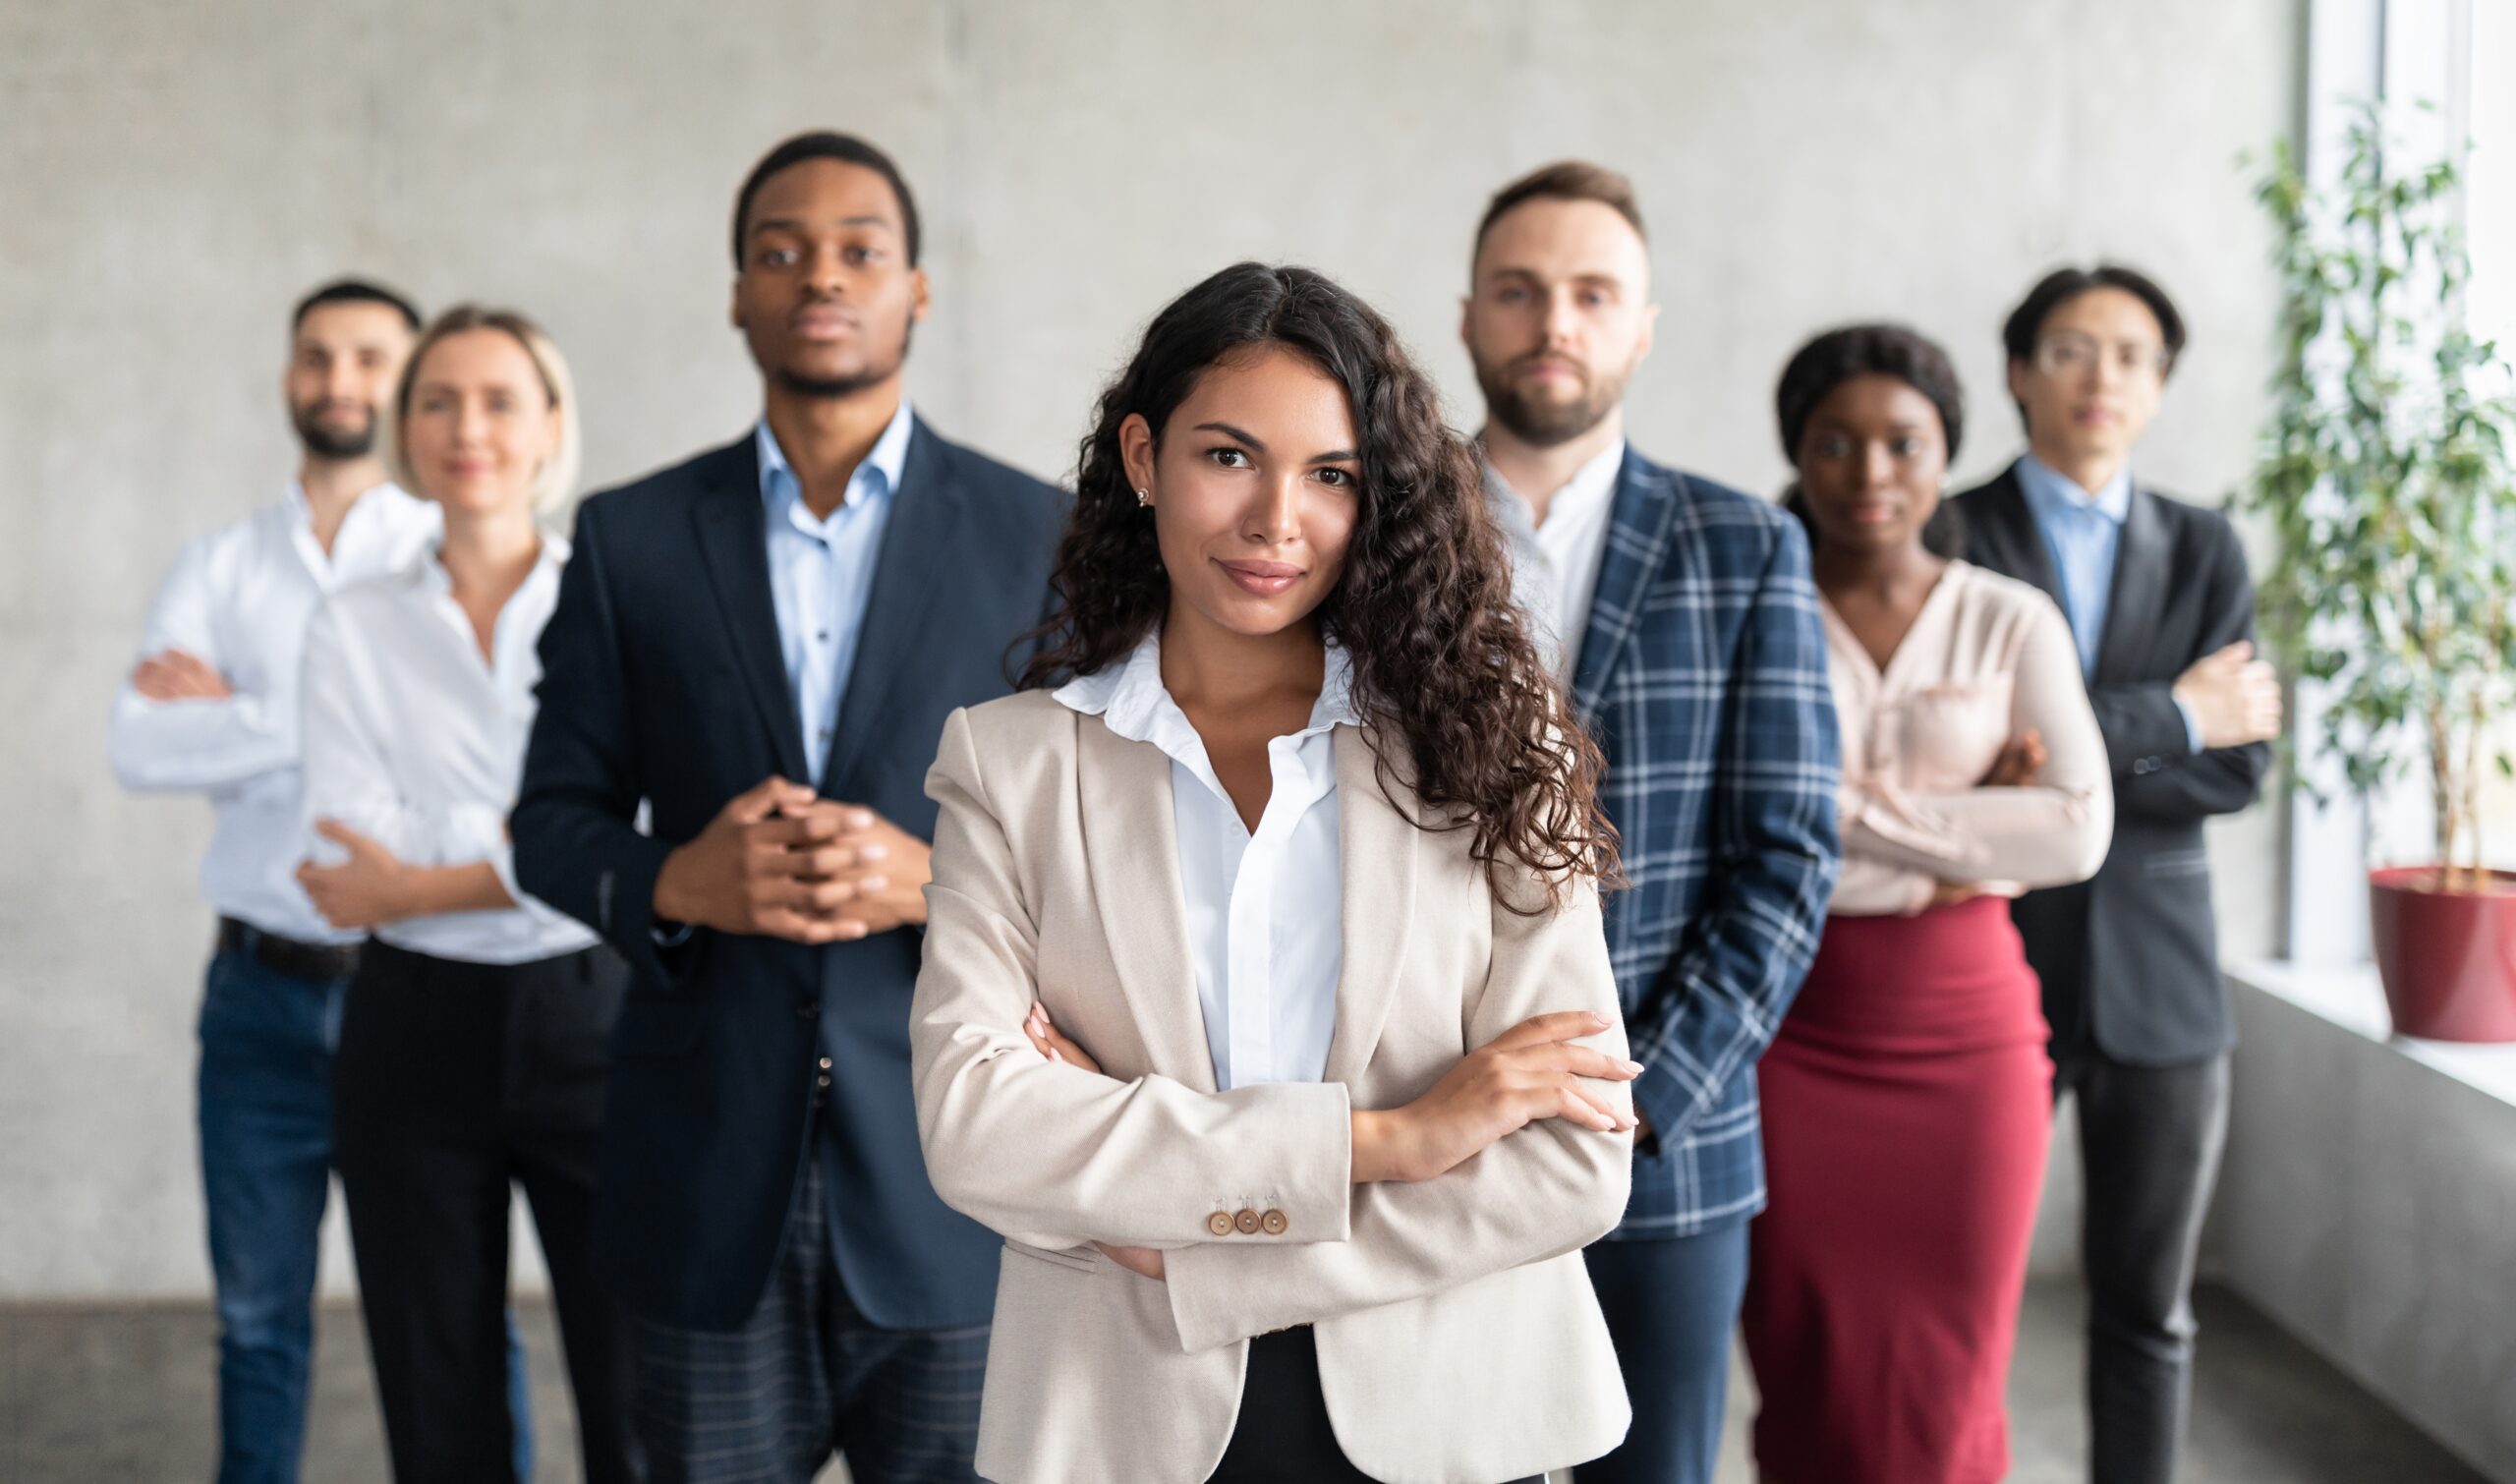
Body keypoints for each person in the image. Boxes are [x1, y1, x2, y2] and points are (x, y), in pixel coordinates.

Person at [909, 260, 1639, 1484]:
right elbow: (980, 1128)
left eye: (1331, 475)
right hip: (1124, 1421)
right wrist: (1394, 1139)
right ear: (1142, 459)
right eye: (1229, 457)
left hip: (1452, 1419)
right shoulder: (1011, 764)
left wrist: (1192, 1247)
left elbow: (1573, 1162)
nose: (1275, 522)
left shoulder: (1497, 741)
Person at [510, 131, 1063, 1483]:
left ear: (916, 289)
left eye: (859, 249)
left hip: (961, 1187)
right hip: (702, 1187)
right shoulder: (632, 537)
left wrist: (935, 883)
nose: (821, 275)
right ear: (737, 293)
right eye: (781, 251)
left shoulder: (1038, 538)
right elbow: (548, 821)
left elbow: (1116, 849)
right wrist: (676, 885)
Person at [105, 279, 534, 1484]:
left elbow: (502, 777)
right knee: (255, 1321)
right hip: (259, 1001)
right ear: (290, 376)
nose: (338, 381)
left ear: (401, 389)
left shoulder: (451, 549)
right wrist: (340, 709)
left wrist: (242, 711)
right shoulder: (220, 561)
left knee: (458, 1318)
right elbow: (137, 745)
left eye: (367, 359)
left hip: (423, 987)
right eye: (315, 357)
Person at [1458, 160, 1842, 1484]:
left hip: (1669, 1148)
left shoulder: (1745, 546)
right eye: (1519, 290)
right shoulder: (1380, 533)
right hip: (1431, 1129)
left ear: (1640, 326)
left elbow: (1788, 861)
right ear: (1468, 317)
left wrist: (1649, 1093)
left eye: (1590, 292)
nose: (1552, 320)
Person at [1743, 323, 2113, 1483]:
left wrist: (1828, 813)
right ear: (1796, 454)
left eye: (1902, 442)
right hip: (1789, 1033)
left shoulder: (2010, 619)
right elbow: (1722, 828)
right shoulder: (1753, 612)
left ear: (1944, 450)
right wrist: (1959, 830)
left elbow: (2075, 826)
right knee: (1804, 1367)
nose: (1869, 472)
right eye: (1835, 443)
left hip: (1970, 1041)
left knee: (1953, 1379)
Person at [296, 307, 640, 1482]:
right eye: (436, 400)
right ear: (405, 427)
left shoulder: (614, 597)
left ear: (551, 427)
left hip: (601, 1016)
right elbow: (349, 852)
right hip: (412, 1024)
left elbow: (639, 830)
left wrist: (431, 865)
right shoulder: (352, 620)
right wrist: (543, 841)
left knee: (634, 1385)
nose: (465, 428)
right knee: (436, 1391)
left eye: (499, 400)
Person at [1952, 266, 2279, 1484]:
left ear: (2158, 387)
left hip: (2165, 986)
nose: (2103, 377)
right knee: (1963, 1303)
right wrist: (2172, 715)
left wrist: (2080, 750)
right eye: (2074, 349)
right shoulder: (1949, 531)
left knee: (2148, 1312)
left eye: (2132, 356)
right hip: (1989, 972)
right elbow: (1962, 760)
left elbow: (2238, 771)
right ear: (2018, 370)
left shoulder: (2203, 545)